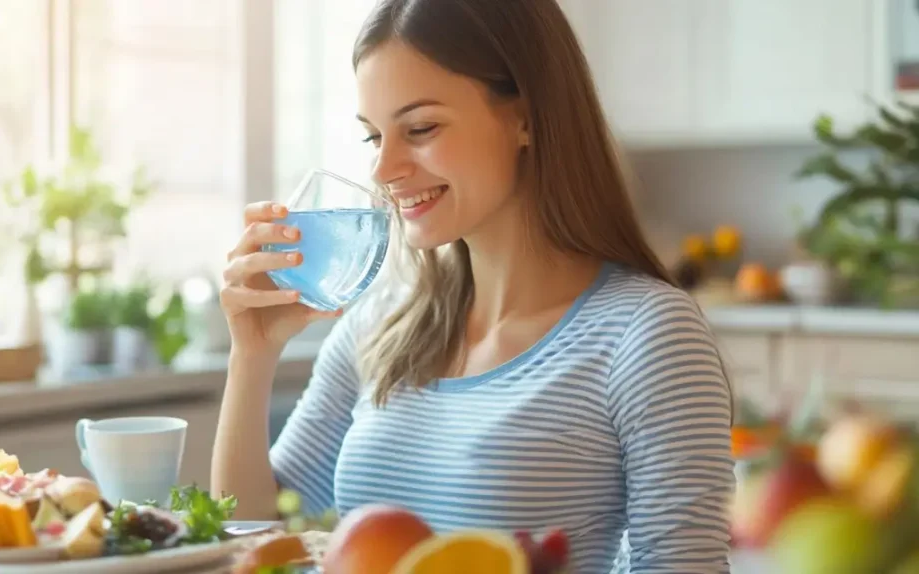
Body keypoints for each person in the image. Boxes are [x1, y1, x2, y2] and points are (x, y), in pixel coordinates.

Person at [212, 0, 734, 572]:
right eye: (373, 138)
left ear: (527, 119)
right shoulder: (379, 322)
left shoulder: (648, 334)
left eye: (420, 128)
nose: (383, 170)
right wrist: (253, 353)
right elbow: (255, 540)